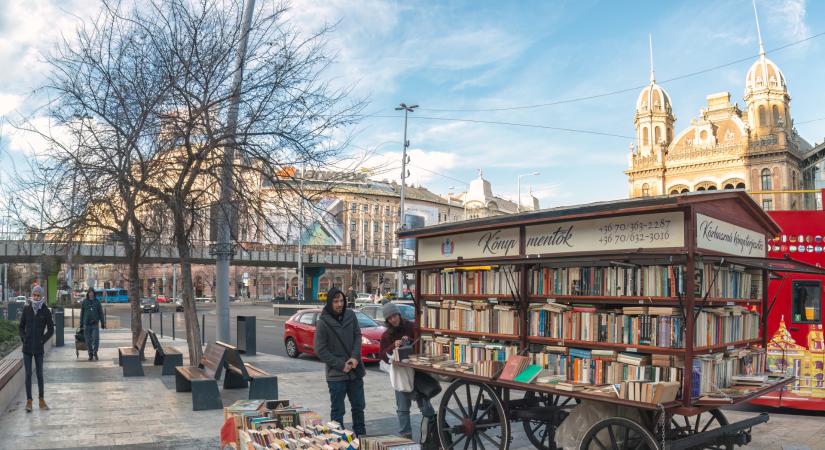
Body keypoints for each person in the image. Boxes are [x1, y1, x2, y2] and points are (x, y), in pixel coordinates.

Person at [314, 287, 366, 437]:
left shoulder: (350, 315)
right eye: (336, 301)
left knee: (358, 407)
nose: (339, 304)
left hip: (355, 372)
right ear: (330, 303)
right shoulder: (323, 322)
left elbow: (357, 336)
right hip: (336, 375)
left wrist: (355, 357)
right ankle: (338, 441)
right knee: (338, 411)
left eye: (341, 300)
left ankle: (362, 438)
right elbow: (320, 350)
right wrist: (341, 365)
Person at [379, 302, 435, 439]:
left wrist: (409, 340)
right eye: (390, 318)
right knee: (403, 409)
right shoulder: (386, 335)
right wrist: (394, 345)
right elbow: (383, 356)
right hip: (401, 375)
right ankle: (406, 438)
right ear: (387, 320)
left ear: (399, 314)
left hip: (417, 373)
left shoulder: (411, 326)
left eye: (395, 315)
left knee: (426, 407)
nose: (394, 319)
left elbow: (421, 344)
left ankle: (434, 434)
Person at [18, 286, 54, 413]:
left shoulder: (45, 311)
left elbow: (51, 329)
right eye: (34, 295)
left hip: (38, 348)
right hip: (27, 348)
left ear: (41, 296)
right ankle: (29, 401)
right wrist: (24, 338)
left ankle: (41, 400)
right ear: (32, 295)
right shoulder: (27, 309)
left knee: (39, 375)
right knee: (28, 374)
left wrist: (42, 340)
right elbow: (21, 327)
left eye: (38, 295)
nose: (36, 297)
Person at [80, 288, 106, 361]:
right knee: (88, 340)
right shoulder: (84, 302)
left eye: (92, 292)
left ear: (94, 293)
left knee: (96, 339)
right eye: (89, 293)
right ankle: (90, 354)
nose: (91, 294)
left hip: (95, 324)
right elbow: (82, 313)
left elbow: (100, 313)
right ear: (88, 294)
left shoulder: (97, 302)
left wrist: (102, 323)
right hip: (86, 324)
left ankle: (95, 352)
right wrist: (81, 323)